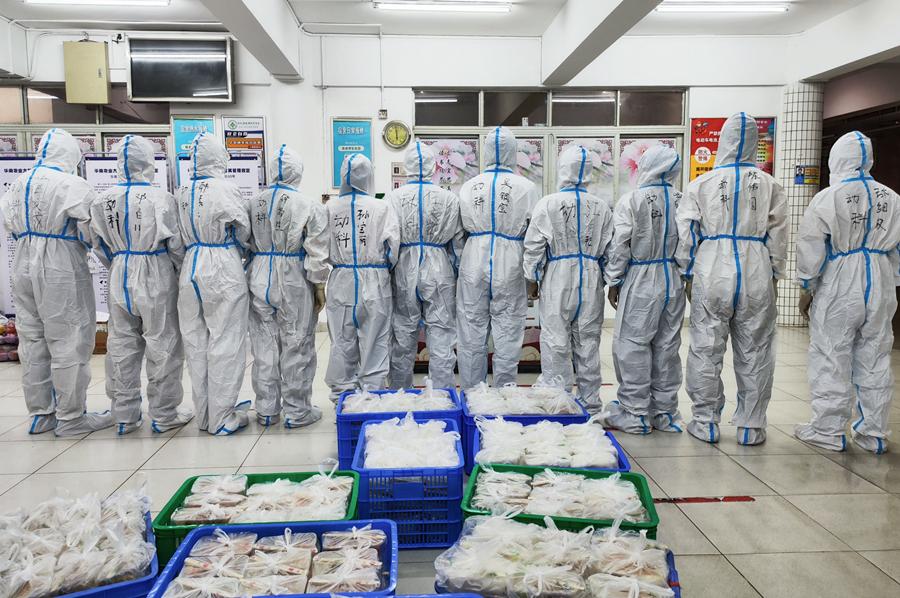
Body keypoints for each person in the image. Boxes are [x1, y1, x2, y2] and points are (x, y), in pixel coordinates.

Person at [675, 113, 788, 445]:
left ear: (723, 141)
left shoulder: (701, 184)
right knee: (756, 349)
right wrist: (775, 273)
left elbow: (687, 234)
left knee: (706, 347)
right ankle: (751, 426)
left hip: (712, 268)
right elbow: (779, 237)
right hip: (756, 269)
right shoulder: (770, 185)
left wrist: (687, 272)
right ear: (755, 142)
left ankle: (705, 421)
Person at [0, 128, 112, 436]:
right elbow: (93, 232)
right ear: (71, 155)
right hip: (60, 264)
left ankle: (41, 414)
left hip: (23, 261)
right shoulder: (72, 184)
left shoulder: (18, 183)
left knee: (32, 339)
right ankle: (71, 417)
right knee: (69, 338)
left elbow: (8, 222)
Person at [794, 131, 900, 453]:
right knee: (875, 356)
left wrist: (806, 287)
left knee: (831, 354)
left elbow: (811, 247)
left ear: (837, 159)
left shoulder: (828, 197)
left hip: (840, 281)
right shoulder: (892, 198)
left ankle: (828, 430)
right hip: (879, 279)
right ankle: (873, 433)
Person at [90, 134, 192, 435]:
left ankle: (124, 415)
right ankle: (164, 414)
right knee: (163, 343)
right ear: (149, 162)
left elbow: (98, 245)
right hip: (155, 270)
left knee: (121, 344)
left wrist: (121, 261)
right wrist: (176, 272)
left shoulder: (102, 200)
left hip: (120, 270)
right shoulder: (161, 198)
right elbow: (176, 245)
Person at [602, 145, 686, 433]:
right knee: (667, 347)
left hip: (640, 278)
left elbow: (620, 245)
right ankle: (664, 413)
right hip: (673, 277)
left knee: (632, 345)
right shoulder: (682, 200)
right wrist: (685, 274)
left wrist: (614, 280)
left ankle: (635, 413)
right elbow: (690, 242)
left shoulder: (632, 200)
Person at [523, 144, 613, 413]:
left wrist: (532, 278)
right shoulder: (601, 207)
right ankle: (590, 403)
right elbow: (611, 250)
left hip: (558, 276)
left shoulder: (548, 203)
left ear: (562, 169)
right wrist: (610, 281)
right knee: (588, 341)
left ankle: (558, 401)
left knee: (556, 340)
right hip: (591, 277)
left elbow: (534, 246)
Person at [175, 132, 252, 435]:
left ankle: (205, 415)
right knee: (226, 339)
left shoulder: (181, 191)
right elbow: (243, 230)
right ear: (219, 157)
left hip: (190, 264)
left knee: (196, 342)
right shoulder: (226, 189)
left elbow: (175, 240)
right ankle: (222, 416)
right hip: (222, 265)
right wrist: (239, 251)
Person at [247, 144, 329, 428]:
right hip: (293, 277)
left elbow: (244, 240)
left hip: (259, 272)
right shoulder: (308, 204)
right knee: (296, 342)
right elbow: (317, 249)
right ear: (298, 172)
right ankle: (297, 411)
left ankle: (267, 409)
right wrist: (319, 285)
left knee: (264, 344)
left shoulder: (253, 202)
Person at [457, 126, 539, 390]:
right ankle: (504, 396)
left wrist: (459, 265)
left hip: (473, 259)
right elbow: (534, 236)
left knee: (471, 332)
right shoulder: (527, 187)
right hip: (512, 261)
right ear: (513, 152)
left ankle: (472, 396)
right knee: (508, 332)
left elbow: (458, 234)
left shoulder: (469, 186)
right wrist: (533, 274)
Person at [388, 141, 463, 389]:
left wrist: (390, 269)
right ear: (434, 167)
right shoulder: (449, 199)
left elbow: (388, 243)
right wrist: (455, 271)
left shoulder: (393, 198)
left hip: (404, 267)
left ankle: (400, 394)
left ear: (407, 166)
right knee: (441, 335)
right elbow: (458, 244)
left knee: (402, 334)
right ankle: (442, 394)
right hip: (439, 267)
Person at [325, 153, 400, 401]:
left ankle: (342, 400)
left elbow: (320, 246)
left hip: (341, 279)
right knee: (375, 343)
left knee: (341, 342)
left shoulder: (329, 208)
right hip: (375, 280)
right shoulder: (381, 207)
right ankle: (372, 399)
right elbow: (392, 249)